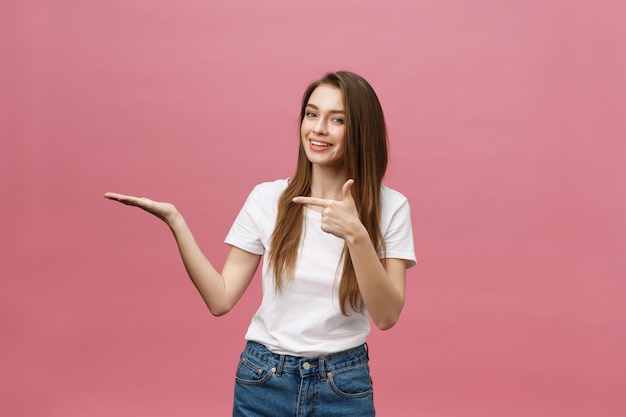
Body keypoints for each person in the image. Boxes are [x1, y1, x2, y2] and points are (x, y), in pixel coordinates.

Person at [104, 70, 416, 416]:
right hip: (265, 379)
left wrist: (356, 235)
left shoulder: (391, 207)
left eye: (337, 119)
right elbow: (220, 299)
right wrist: (176, 222)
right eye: (311, 114)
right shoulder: (267, 198)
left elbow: (387, 316)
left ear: (360, 131)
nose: (318, 129)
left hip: (342, 384)